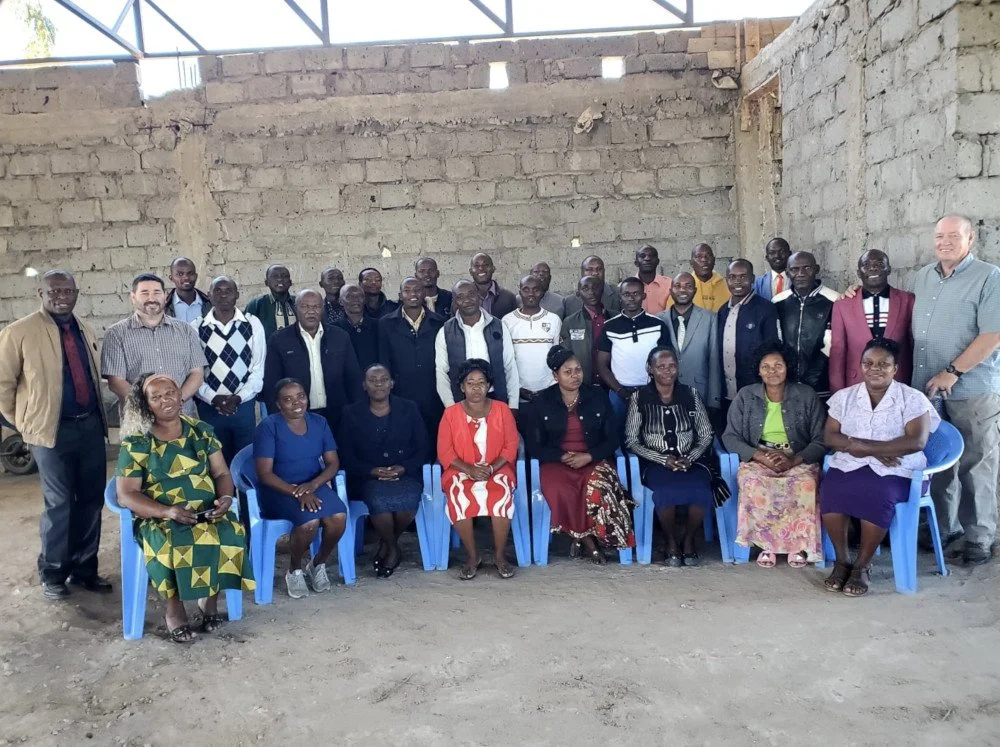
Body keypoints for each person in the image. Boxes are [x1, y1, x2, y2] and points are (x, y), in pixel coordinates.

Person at [116, 374, 254, 642]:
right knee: (172, 542)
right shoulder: (138, 442)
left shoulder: (201, 430)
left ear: (181, 395)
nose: (165, 400)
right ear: (146, 405)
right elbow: (127, 495)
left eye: (170, 393)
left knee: (228, 532)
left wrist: (225, 499)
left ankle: (209, 600)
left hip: (205, 509)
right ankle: (174, 609)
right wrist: (167, 512)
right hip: (159, 516)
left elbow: (222, 474)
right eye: (155, 397)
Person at [0, 270, 110, 601]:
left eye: (67, 290)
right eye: (54, 290)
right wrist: (23, 424)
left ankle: (84, 569)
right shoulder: (18, 333)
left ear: (77, 293)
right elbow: (3, 384)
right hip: (50, 433)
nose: (61, 295)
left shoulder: (84, 329)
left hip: (89, 426)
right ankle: (53, 572)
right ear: (40, 293)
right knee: (59, 503)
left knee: (91, 500)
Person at [913, 215, 1000, 566]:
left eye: (953, 236)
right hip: (929, 390)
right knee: (938, 463)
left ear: (970, 239)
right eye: (939, 236)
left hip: (972, 390)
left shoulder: (989, 277)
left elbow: (993, 335)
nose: (944, 242)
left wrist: (953, 371)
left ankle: (979, 537)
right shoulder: (923, 277)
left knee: (976, 462)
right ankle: (945, 528)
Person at [821, 338, 939, 596]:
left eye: (884, 364)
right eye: (869, 363)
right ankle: (842, 561)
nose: (875, 368)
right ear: (861, 366)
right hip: (853, 463)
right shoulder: (845, 397)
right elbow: (830, 437)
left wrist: (867, 448)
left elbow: (916, 442)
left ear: (896, 368)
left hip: (900, 468)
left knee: (877, 493)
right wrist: (874, 449)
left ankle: (862, 566)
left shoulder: (912, 399)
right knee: (831, 490)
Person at [523, 346, 635, 563]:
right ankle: (589, 542)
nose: (575, 376)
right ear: (555, 375)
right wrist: (561, 456)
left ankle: (582, 537)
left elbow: (612, 439)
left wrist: (589, 456)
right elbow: (534, 446)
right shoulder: (542, 401)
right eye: (568, 372)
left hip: (592, 458)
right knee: (560, 489)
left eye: (578, 370)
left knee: (599, 486)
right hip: (557, 462)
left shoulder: (597, 396)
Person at [722, 341, 826, 568]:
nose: (772, 371)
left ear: (787, 367)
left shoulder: (806, 395)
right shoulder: (745, 396)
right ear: (758, 370)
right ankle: (766, 545)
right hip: (759, 458)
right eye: (766, 366)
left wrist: (794, 460)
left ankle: (798, 546)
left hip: (797, 457)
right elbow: (730, 437)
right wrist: (758, 456)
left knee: (806, 484)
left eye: (778, 365)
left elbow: (821, 439)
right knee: (753, 484)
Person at [253, 378, 346, 598]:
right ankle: (294, 569)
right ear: (278, 404)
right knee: (309, 522)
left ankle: (317, 564)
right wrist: (298, 492)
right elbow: (264, 474)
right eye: (288, 399)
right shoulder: (268, 427)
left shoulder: (319, 422)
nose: (297, 403)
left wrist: (312, 485)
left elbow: (333, 462)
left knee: (339, 517)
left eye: (300, 396)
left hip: (312, 484)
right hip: (279, 488)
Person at [625, 347, 715, 566]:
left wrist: (690, 457)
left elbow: (706, 434)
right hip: (655, 464)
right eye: (661, 366)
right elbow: (631, 440)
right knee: (666, 492)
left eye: (672, 366)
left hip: (691, 462)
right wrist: (662, 459)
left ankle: (689, 538)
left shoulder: (690, 395)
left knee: (702, 492)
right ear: (650, 369)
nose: (667, 371)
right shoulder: (640, 398)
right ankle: (671, 540)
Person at [338, 365, 428, 578]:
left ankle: (389, 544)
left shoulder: (409, 408)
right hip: (369, 477)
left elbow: (423, 446)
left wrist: (403, 467)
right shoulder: (351, 413)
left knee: (407, 501)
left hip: (405, 474)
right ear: (364, 386)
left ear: (391, 383)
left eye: (383, 378)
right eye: (372, 379)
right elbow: (346, 454)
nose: (378, 383)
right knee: (379, 501)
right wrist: (372, 471)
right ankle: (393, 548)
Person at [437, 359, 520, 580]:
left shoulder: (502, 410)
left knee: (500, 494)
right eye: (470, 382)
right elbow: (444, 452)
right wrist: (470, 470)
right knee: (458, 495)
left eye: (481, 382)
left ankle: (500, 556)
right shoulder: (451, 414)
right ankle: (473, 556)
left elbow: (511, 446)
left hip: (498, 468)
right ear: (462, 387)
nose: (476, 388)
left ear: (489, 386)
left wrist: (492, 467)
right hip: (461, 470)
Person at [101, 272, 206, 417]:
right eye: (144, 293)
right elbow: (116, 381)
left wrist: (176, 401)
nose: (151, 298)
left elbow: (197, 373)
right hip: (140, 420)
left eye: (157, 292)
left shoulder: (185, 330)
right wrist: (150, 405)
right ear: (133, 297)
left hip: (182, 418)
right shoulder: (116, 334)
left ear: (165, 295)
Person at [262, 289, 362, 434]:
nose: (311, 311)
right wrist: (279, 419)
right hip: (297, 416)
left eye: (316, 306)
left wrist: (356, 413)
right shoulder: (279, 340)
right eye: (305, 306)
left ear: (322, 309)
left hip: (338, 414)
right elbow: (272, 384)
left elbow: (353, 378)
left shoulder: (340, 337)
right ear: (296, 309)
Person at [191, 276, 266, 464]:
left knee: (245, 459)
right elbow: (194, 372)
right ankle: (225, 495)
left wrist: (239, 398)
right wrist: (213, 398)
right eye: (218, 290)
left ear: (237, 295)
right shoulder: (196, 327)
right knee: (217, 461)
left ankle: (245, 494)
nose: (223, 295)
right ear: (208, 295)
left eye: (228, 291)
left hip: (244, 404)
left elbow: (258, 368)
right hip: (210, 406)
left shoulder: (252, 323)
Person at [828, 250, 914, 393]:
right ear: (858, 272)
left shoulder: (907, 300)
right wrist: (837, 392)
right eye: (866, 265)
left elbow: (912, 344)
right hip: (856, 383)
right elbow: (838, 351)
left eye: (879, 264)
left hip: (898, 381)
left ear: (889, 269)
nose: (873, 268)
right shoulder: (842, 305)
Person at [378, 277, 446, 453]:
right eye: (407, 291)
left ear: (424, 294)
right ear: (400, 295)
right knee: (407, 439)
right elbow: (384, 360)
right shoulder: (386, 324)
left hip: (433, 394)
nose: (413, 294)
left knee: (435, 439)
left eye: (417, 290)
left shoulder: (439, 322)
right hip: (401, 393)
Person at [435, 280, 520, 414]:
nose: (467, 300)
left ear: (479, 296)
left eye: (471, 294)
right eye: (460, 297)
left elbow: (510, 365)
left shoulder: (498, 326)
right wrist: (451, 406)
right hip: (461, 401)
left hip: (496, 397)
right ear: (455, 302)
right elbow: (441, 372)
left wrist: (513, 404)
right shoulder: (445, 331)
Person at [595, 277, 671, 422]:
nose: (631, 298)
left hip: (652, 392)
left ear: (644, 296)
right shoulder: (609, 326)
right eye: (626, 294)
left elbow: (666, 363)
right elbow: (601, 365)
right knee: (618, 434)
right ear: (620, 297)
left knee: (651, 435)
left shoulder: (658, 325)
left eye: (636, 294)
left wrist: (656, 389)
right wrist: (620, 391)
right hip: (619, 393)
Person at [717, 260, 780, 416]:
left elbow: (773, 350)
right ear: (727, 280)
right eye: (732, 277)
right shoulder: (723, 310)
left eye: (743, 276)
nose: (737, 281)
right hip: (727, 393)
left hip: (756, 391)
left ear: (752, 279)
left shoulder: (766, 309)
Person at [773, 251, 840, 394]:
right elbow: (777, 341)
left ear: (816, 269)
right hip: (787, 384)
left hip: (822, 385)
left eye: (807, 268)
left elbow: (834, 343)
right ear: (787, 272)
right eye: (794, 269)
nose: (801, 273)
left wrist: (814, 377)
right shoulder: (778, 302)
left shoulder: (835, 301)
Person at [660, 272, 721, 411]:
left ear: (695, 291)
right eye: (677, 286)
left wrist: (714, 400)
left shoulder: (710, 318)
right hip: (666, 394)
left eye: (688, 286)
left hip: (700, 393)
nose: (682, 290)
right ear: (670, 291)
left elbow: (714, 360)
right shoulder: (659, 319)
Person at [503, 275, 562, 405]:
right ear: (519, 293)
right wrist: (518, 388)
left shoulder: (554, 320)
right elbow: (506, 360)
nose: (531, 294)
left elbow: (557, 358)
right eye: (526, 289)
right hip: (518, 393)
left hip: (549, 391)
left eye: (536, 290)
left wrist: (552, 386)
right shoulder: (507, 321)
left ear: (542, 293)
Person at [560, 276, 610, 387]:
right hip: (583, 385)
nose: (591, 292)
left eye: (595, 287)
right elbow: (565, 356)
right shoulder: (570, 322)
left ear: (602, 290)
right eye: (585, 288)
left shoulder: (614, 318)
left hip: (613, 385)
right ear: (578, 293)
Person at [335, 283, 380, 372]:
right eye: (349, 296)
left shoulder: (378, 326)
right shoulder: (333, 330)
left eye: (360, 296)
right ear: (340, 301)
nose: (355, 300)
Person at [244, 264, 296, 341]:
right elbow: (246, 332)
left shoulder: (299, 303)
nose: (280, 279)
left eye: (284, 276)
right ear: (266, 282)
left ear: (290, 282)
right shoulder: (256, 304)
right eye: (274, 276)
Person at [470, 252, 518, 318]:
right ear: (471, 271)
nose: (481, 268)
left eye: (486, 264)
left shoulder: (508, 298)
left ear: (493, 269)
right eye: (476, 266)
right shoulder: (462, 299)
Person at [165, 257, 211, 323]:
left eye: (190, 273)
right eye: (180, 274)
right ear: (171, 278)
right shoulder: (164, 307)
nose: (186, 277)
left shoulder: (209, 304)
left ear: (196, 276)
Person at [687, 243, 730, 312]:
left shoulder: (727, 286)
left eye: (708, 255)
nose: (704, 259)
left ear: (714, 260)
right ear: (691, 263)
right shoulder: (683, 288)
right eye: (698, 256)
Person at [634, 244, 672, 314]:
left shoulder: (670, 284)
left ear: (658, 261)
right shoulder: (627, 287)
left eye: (651, 256)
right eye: (642, 256)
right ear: (636, 263)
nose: (647, 258)